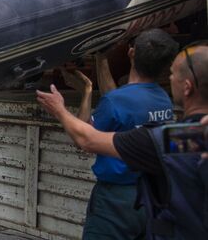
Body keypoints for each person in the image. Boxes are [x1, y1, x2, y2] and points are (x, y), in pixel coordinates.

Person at [36, 43, 208, 239]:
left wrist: (59, 109)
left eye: (175, 75)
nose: (170, 78)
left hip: (118, 201)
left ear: (187, 88)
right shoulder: (178, 122)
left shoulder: (168, 139)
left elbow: (87, 140)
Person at [60, 29, 178, 239]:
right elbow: (118, 102)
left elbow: (82, 138)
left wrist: (86, 91)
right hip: (150, 195)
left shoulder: (115, 102)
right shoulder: (163, 100)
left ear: (131, 53)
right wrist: (101, 58)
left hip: (115, 200)